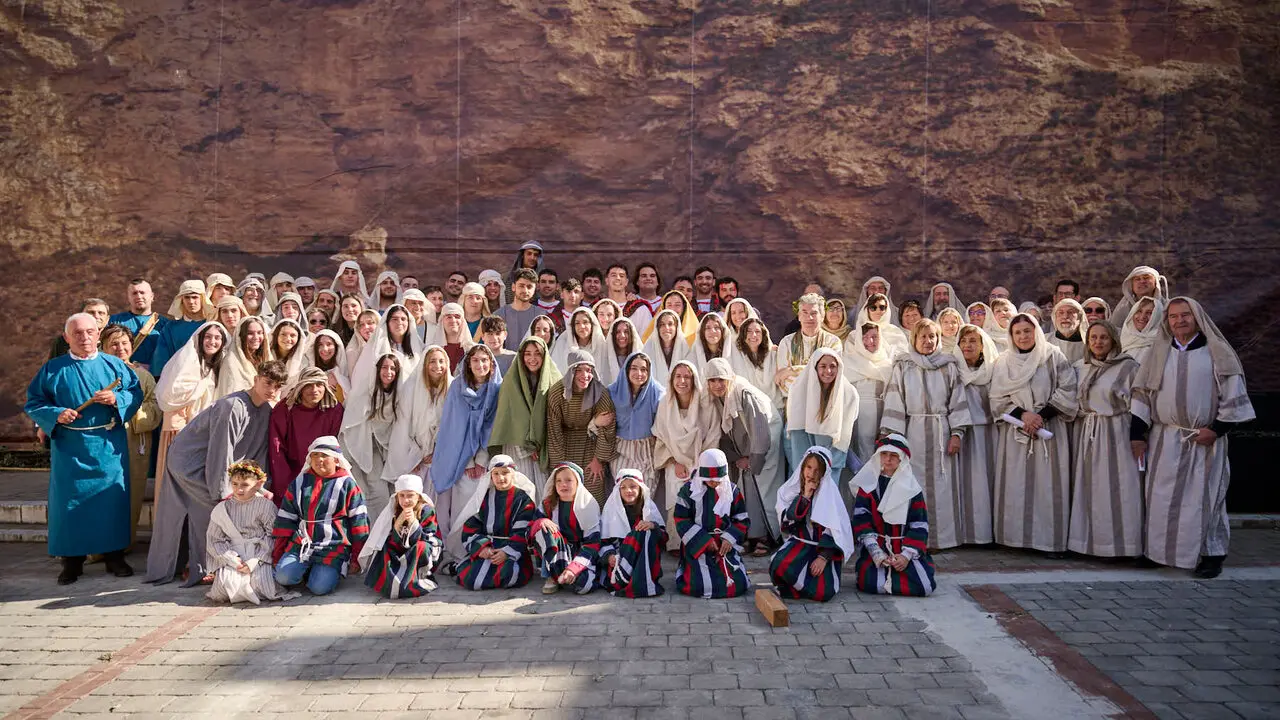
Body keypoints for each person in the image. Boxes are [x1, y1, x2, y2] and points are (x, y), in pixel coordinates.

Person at [1131, 298, 1254, 578]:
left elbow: (1234, 395)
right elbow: (1141, 395)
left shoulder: (1217, 352)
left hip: (1203, 438)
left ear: (1197, 318)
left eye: (1185, 315)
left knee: (1205, 497)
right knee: (1161, 497)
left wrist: (1217, 429)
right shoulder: (1158, 352)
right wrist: (1137, 435)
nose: (1179, 321)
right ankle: (1158, 552)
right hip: (1165, 437)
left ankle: (1211, 554)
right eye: (1173, 317)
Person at [145, 361, 286, 585]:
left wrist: (258, 486)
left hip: (220, 466)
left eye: (278, 386)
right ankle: (201, 567)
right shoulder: (232, 406)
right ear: (256, 379)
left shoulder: (266, 410)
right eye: (268, 383)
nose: (272, 390)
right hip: (190, 462)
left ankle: (207, 564)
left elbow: (258, 452)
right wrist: (223, 492)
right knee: (215, 510)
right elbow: (222, 450)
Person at [26, 314, 143, 584]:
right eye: (78, 333)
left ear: (98, 334)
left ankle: (114, 555)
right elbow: (35, 402)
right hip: (70, 448)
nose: (85, 337)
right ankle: (72, 561)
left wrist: (117, 397)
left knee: (111, 502)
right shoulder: (53, 369)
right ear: (67, 337)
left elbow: (135, 393)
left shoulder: (115, 366)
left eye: (90, 332)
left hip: (108, 446)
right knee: (69, 504)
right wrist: (56, 414)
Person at [990, 314, 1078, 555]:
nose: (1023, 336)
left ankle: (1048, 541)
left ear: (1036, 331)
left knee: (1047, 487)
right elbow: (996, 397)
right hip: (1017, 432)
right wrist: (1024, 416)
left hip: (1049, 428)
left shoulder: (1053, 356)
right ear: (1011, 335)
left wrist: (1041, 415)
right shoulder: (1003, 362)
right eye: (1017, 332)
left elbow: (1068, 388)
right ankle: (1014, 539)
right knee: (1016, 486)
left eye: (1027, 331)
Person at [880, 318, 971, 550]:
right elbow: (894, 400)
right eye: (923, 336)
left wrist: (957, 433)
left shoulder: (949, 365)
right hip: (914, 435)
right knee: (913, 484)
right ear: (914, 339)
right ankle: (915, 538)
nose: (928, 341)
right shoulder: (903, 365)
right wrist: (894, 440)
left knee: (943, 486)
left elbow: (958, 400)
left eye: (932, 336)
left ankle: (943, 539)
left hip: (942, 433)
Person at [1066, 321, 1141, 558]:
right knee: (1088, 488)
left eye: (1104, 338)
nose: (1098, 342)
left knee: (1118, 488)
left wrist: (1137, 436)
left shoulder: (1128, 367)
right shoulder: (1080, 367)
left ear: (1113, 341)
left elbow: (1138, 404)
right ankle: (1086, 544)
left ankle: (1121, 546)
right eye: (1093, 338)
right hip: (1086, 433)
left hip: (1115, 433)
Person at [272, 436, 371, 595]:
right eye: (315, 455)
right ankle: (307, 570)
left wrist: (356, 558)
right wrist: (278, 554)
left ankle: (327, 571)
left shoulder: (347, 484)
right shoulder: (299, 483)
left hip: (333, 545)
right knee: (282, 576)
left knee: (319, 588)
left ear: (336, 460)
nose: (319, 460)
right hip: (302, 543)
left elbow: (359, 524)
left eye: (325, 456)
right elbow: (285, 519)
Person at [704, 358, 782, 556]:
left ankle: (765, 537)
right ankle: (750, 535)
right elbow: (725, 433)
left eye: (722, 379)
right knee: (747, 491)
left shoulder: (744, 394)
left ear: (730, 378)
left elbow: (760, 429)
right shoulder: (720, 398)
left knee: (762, 491)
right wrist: (736, 457)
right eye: (712, 380)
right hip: (746, 451)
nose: (718, 385)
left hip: (764, 448)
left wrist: (754, 460)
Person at [429, 345, 502, 545]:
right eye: (476, 360)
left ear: (491, 363)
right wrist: (468, 461)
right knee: (461, 503)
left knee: (482, 505)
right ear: (468, 364)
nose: (480, 364)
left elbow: (492, 426)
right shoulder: (457, 387)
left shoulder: (497, 388)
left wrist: (480, 458)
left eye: (485, 360)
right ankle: (458, 549)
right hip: (460, 457)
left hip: (485, 458)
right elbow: (454, 425)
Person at [99, 325, 163, 548]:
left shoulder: (142, 376)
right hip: (101, 443)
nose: (120, 348)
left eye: (124, 343)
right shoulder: (95, 373)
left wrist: (131, 411)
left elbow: (155, 406)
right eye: (113, 344)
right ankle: (96, 547)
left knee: (130, 494)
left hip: (134, 442)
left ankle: (122, 545)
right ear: (103, 347)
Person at [850, 434, 937, 596]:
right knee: (871, 584)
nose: (888, 459)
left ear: (901, 459)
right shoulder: (868, 487)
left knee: (923, 586)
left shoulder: (912, 489)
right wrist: (876, 552)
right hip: (878, 546)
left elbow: (919, 524)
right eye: (884, 454)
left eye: (893, 455)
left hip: (904, 547)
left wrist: (905, 556)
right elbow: (861, 520)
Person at [769, 446, 855, 602]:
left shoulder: (831, 496)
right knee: (779, 564)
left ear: (824, 473)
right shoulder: (789, 491)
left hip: (821, 549)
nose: (812, 474)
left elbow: (836, 530)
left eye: (817, 470)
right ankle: (797, 588)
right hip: (799, 545)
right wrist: (805, 497)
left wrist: (823, 557)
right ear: (802, 467)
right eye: (809, 467)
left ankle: (800, 587)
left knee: (823, 591)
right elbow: (788, 524)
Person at [652, 361, 720, 551]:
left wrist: (701, 466)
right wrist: (675, 462)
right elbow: (661, 438)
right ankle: (676, 544)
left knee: (701, 504)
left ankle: (702, 543)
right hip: (675, 464)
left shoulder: (706, 405)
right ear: (672, 380)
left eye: (687, 377)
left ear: (694, 379)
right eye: (678, 376)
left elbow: (713, 436)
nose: (682, 381)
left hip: (701, 463)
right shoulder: (665, 404)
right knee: (676, 503)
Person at [155, 322, 228, 496]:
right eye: (208, 337)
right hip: (183, 427)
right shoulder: (186, 360)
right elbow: (169, 394)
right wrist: (201, 386)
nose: (212, 341)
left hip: (210, 430)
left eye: (217, 338)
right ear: (200, 339)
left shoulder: (221, 366)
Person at [451, 455, 539, 589]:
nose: (500, 478)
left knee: (508, 573)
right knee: (470, 578)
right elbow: (471, 526)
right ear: (490, 476)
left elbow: (523, 531)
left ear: (513, 474)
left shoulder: (523, 500)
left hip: (512, 549)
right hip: (489, 547)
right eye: (496, 474)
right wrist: (482, 548)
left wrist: (506, 552)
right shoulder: (484, 497)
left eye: (505, 473)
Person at [488, 337, 561, 496]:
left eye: (537, 354)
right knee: (522, 492)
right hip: (517, 445)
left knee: (545, 493)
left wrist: (539, 443)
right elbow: (510, 419)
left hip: (545, 447)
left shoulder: (554, 380)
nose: (532, 359)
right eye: (527, 354)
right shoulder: (510, 382)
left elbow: (558, 415)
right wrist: (528, 445)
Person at [205, 460, 287, 604]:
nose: (239, 490)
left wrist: (256, 560)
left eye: (245, 485)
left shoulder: (265, 506)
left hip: (258, 553)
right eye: (235, 484)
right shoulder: (223, 508)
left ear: (258, 485)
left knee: (261, 586)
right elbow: (214, 539)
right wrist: (232, 560)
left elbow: (273, 535)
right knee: (223, 589)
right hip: (233, 554)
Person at [674, 448, 750, 599]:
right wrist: (704, 541)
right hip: (698, 545)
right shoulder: (688, 491)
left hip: (724, 545)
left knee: (738, 583)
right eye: (710, 479)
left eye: (718, 479)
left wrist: (729, 538)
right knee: (699, 585)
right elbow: (681, 520)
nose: (715, 483)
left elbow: (742, 519)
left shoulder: (732, 490)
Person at [546, 350, 617, 507]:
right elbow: (554, 431)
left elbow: (608, 427)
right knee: (566, 490)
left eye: (589, 370)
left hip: (591, 445)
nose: (585, 375)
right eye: (579, 370)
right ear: (571, 371)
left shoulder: (600, 393)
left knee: (593, 488)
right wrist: (560, 466)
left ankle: (593, 529)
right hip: (565, 445)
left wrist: (599, 459)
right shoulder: (557, 393)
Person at [951, 324, 999, 545]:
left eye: (973, 341)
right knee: (964, 486)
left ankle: (987, 534)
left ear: (982, 345)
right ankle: (965, 534)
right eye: (964, 341)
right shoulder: (952, 369)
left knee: (987, 484)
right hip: (962, 433)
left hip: (989, 433)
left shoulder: (994, 369)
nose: (968, 345)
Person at [359, 474, 443, 598]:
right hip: (399, 547)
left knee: (421, 547)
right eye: (402, 496)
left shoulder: (426, 510)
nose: (405, 500)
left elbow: (428, 537)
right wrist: (398, 523)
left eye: (410, 496)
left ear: (418, 496)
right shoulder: (393, 511)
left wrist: (413, 523)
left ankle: (415, 579)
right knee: (384, 545)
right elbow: (389, 538)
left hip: (421, 548)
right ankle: (391, 581)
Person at [268, 366, 344, 500]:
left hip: (322, 474)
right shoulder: (285, 409)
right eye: (308, 385)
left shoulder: (334, 410)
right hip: (290, 474)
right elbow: (277, 449)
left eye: (319, 385)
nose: (314, 390)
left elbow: (334, 449)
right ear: (300, 388)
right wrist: (286, 485)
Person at [530, 462, 602, 594]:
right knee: (543, 527)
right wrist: (541, 521)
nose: (563, 484)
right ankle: (552, 575)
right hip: (557, 550)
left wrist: (574, 568)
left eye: (568, 480)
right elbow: (530, 529)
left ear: (577, 483)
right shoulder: (547, 504)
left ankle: (567, 573)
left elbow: (592, 544)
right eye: (559, 481)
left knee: (583, 586)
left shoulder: (588, 506)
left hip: (580, 553)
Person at [785, 348, 860, 475]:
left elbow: (845, 433)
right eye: (823, 366)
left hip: (832, 457)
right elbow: (795, 431)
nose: (828, 371)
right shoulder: (798, 389)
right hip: (803, 454)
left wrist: (827, 463)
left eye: (833, 366)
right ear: (815, 367)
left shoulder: (849, 394)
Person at [598, 469, 668, 597]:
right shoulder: (611, 510)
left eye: (632, 486)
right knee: (637, 534)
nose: (628, 491)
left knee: (644, 532)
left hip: (643, 558)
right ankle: (625, 577)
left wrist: (653, 526)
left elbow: (663, 538)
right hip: (619, 560)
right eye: (623, 487)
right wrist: (609, 556)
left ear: (640, 488)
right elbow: (603, 541)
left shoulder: (649, 508)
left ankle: (642, 580)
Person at [607, 352, 665, 496]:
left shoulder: (658, 393)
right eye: (634, 368)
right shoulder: (612, 392)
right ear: (626, 370)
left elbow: (664, 425)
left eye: (644, 369)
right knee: (624, 494)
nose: (639, 373)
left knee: (644, 495)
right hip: (621, 450)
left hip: (646, 450)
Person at [842, 323, 893, 464]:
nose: (870, 341)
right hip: (855, 416)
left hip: (883, 417)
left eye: (874, 337)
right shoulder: (848, 362)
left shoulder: (888, 364)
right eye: (865, 337)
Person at [776, 293, 842, 398]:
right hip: (793, 402)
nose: (809, 317)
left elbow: (829, 375)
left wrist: (791, 370)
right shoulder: (787, 342)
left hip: (823, 401)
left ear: (822, 316)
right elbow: (782, 380)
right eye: (804, 312)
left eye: (814, 313)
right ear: (799, 316)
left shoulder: (832, 342)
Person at [151, 280, 211, 376]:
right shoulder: (170, 328)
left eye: (195, 297)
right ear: (181, 300)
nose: (191, 302)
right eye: (187, 297)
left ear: (202, 299)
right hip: (176, 379)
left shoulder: (211, 325)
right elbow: (161, 359)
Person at [109, 278, 168, 371]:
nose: (139, 296)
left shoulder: (165, 324)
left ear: (152, 296)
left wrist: (152, 367)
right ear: (128, 297)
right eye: (134, 293)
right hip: (123, 373)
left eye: (142, 292)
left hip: (156, 377)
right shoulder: (115, 321)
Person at [729, 317, 784, 411]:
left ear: (763, 334)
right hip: (749, 411)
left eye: (757, 331)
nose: (753, 335)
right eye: (749, 331)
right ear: (743, 334)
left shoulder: (774, 355)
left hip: (775, 409)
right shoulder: (736, 357)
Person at [216, 316, 271, 397]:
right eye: (250, 333)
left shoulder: (266, 359)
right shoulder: (231, 363)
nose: (256, 337)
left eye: (259, 333)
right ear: (241, 336)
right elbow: (230, 397)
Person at [495, 268, 545, 352]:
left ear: (535, 289)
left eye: (529, 287)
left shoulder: (541, 315)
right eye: (521, 286)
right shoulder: (499, 315)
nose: (525, 290)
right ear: (513, 287)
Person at [550, 306, 610, 375]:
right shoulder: (563, 343)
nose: (582, 326)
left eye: (585, 322)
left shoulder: (601, 345)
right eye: (577, 323)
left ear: (592, 324)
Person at [641, 309, 692, 388]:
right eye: (662, 324)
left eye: (670, 324)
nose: (666, 328)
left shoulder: (685, 349)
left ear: (676, 327)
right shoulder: (648, 349)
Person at [303, 328, 350, 402]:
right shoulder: (307, 369)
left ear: (336, 346)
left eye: (329, 344)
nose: (325, 349)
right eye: (320, 345)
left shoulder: (342, 373)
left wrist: (337, 385)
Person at [1120, 296, 1164, 367]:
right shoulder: (1123, 340)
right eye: (1139, 311)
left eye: (1149, 313)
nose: (1142, 316)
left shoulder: (1162, 345)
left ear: (1157, 316)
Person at [624, 262, 663, 332]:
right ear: (637, 282)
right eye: (644, 276)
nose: (648, 278)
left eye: (652, 276)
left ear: (658, 282)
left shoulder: (665, 302)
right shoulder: (630, 301)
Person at [434, 302, 474, 371]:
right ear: (442, 321)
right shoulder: (433, 349)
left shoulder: (472, 349)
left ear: (462, 321)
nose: (453, 320)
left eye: (457, 317)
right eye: (449, 317)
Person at [603, 316, 640, 385]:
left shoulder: (640, 357)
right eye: (618, 332)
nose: (622, 335)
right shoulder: (604, 358)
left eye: (626, 332)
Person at [1048, 298, 1087, 365]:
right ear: (1055, 317)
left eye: (1070, 312)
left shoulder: (1089, 344)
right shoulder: (1045, 340)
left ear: (1080, 318)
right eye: (1061, 312)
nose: (1065, 316)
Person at [505, 240, 544, 304]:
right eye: (529, 253)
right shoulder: (508, 278)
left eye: (536, 255)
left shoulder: (544, 279)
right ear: (522, 255)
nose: (532, 258)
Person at [269, 318, 307, 385]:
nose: (288, 339)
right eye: (283, 334)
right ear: (276, 335)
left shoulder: (304, 361)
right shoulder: (264, 355)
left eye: (292, 335)